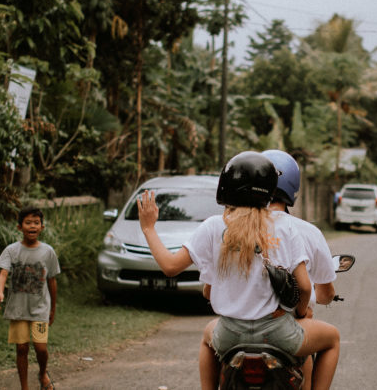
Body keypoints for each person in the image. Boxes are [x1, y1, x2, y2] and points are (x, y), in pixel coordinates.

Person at [138, 151, 340, 390]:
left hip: (228, 334)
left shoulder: (214, 226)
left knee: (206, 338)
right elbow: (305, 286)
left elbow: (170, 267)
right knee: (332, 339)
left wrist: (149, 228)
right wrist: (300, 312)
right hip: (278, 333)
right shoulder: (286, 227)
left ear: (225, 187)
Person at [264, 149, 338, 390]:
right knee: (331, 339)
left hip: (238, 325)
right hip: (287, 326)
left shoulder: (234, 228)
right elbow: (320, 292)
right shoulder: (307, 232)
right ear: (293, 188)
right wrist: (302, 309)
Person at [0, 207, 60, 390]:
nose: (32, 226)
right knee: (21, 348)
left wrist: (53, 308)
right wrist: (0, 292)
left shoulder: (48, 252)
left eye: (36, 223)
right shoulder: (12, 250)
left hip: (40, 309)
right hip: (18, 309)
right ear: (19, 227)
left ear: (42, 227)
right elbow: (3, 273)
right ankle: (25, 387)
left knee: (41, 348)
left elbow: (52, 281)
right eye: (28, 222)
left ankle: (42, 373)